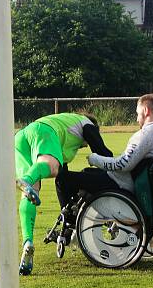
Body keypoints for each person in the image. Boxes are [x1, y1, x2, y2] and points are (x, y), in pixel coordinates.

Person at [14, 112, 112, 275]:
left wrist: (67, 217)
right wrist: (121, 167)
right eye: (85, 144)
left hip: (21, 138)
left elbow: (62, 181)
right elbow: (102, 152)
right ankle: (26, 179)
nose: (85, 146)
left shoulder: (66, 131)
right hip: (42, 131)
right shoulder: (86, 123)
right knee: (51, 167)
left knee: (30, 192)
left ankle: (27, 242)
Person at [54, 94, 153, 208]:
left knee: (63, 179)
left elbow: (123, 164)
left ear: (146, 110)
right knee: (86, 173)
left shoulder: (146, 134)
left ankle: (68, 225)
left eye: (138, 114)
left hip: (121, 183)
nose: (137, 119)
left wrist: (95, 159)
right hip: (139, 183)